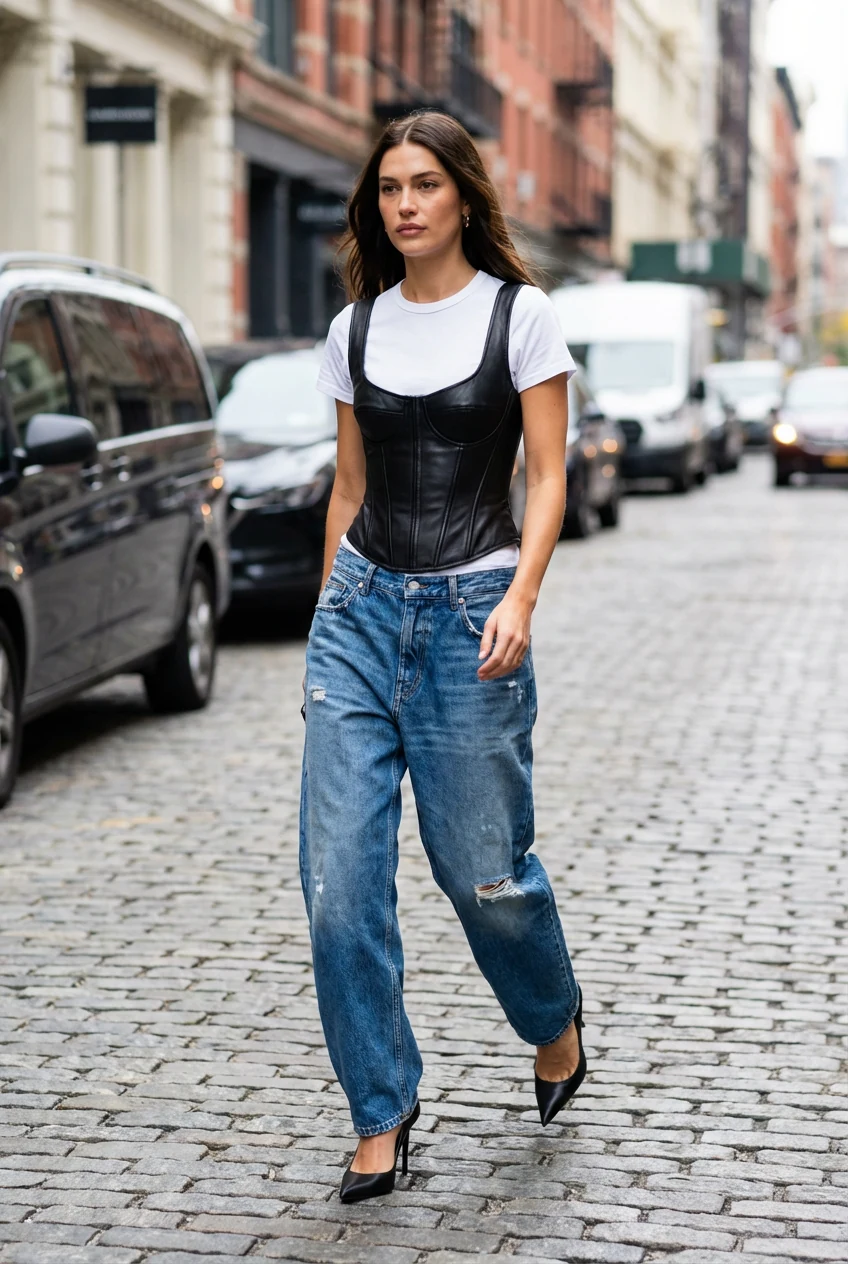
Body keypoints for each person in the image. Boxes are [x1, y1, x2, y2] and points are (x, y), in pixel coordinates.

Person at [301, 110, 586, 1205]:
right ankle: (381, 1109)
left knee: (485, 875)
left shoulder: (521, 316)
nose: (405, 204)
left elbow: (549, 476)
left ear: (463, 194)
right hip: (360, 615)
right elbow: (349, 488)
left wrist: (520, 593)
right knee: (337, 888)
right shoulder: (354, 329)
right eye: (387, 189)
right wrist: (331, 615)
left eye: (423, 184)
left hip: (474, 614)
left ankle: (552, 1016)